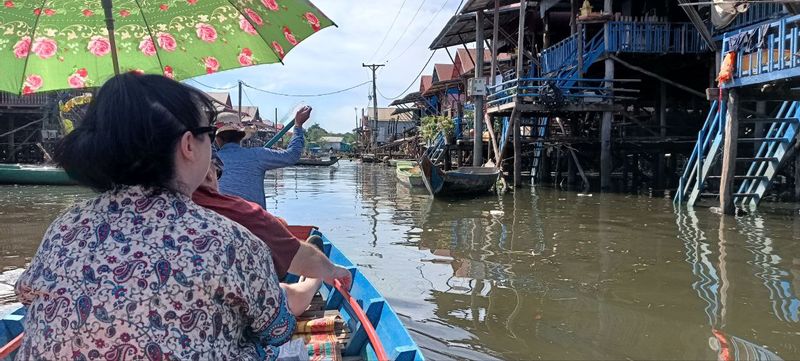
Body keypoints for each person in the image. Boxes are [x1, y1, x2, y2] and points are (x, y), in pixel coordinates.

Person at [14, 73, 295, 360]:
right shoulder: (228, 240)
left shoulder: (63, 228)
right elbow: (277, 328)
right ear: (188, 145)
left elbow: (26, 294)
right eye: (209, 135)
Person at [193, 151, 352, 315]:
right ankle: (313, 282)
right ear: (209, 175)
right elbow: (298, 255)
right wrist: (334, 271)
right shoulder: (234, 210)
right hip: (228, 320)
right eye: (218, 173)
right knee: (281, 298)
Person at [216, 108, 311, 209]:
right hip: (253, 221)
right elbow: (292, 155)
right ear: (241, 136)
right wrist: (298, 125)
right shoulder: (258, 155)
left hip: (220, 219)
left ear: (217, 139)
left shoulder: (209, 161)